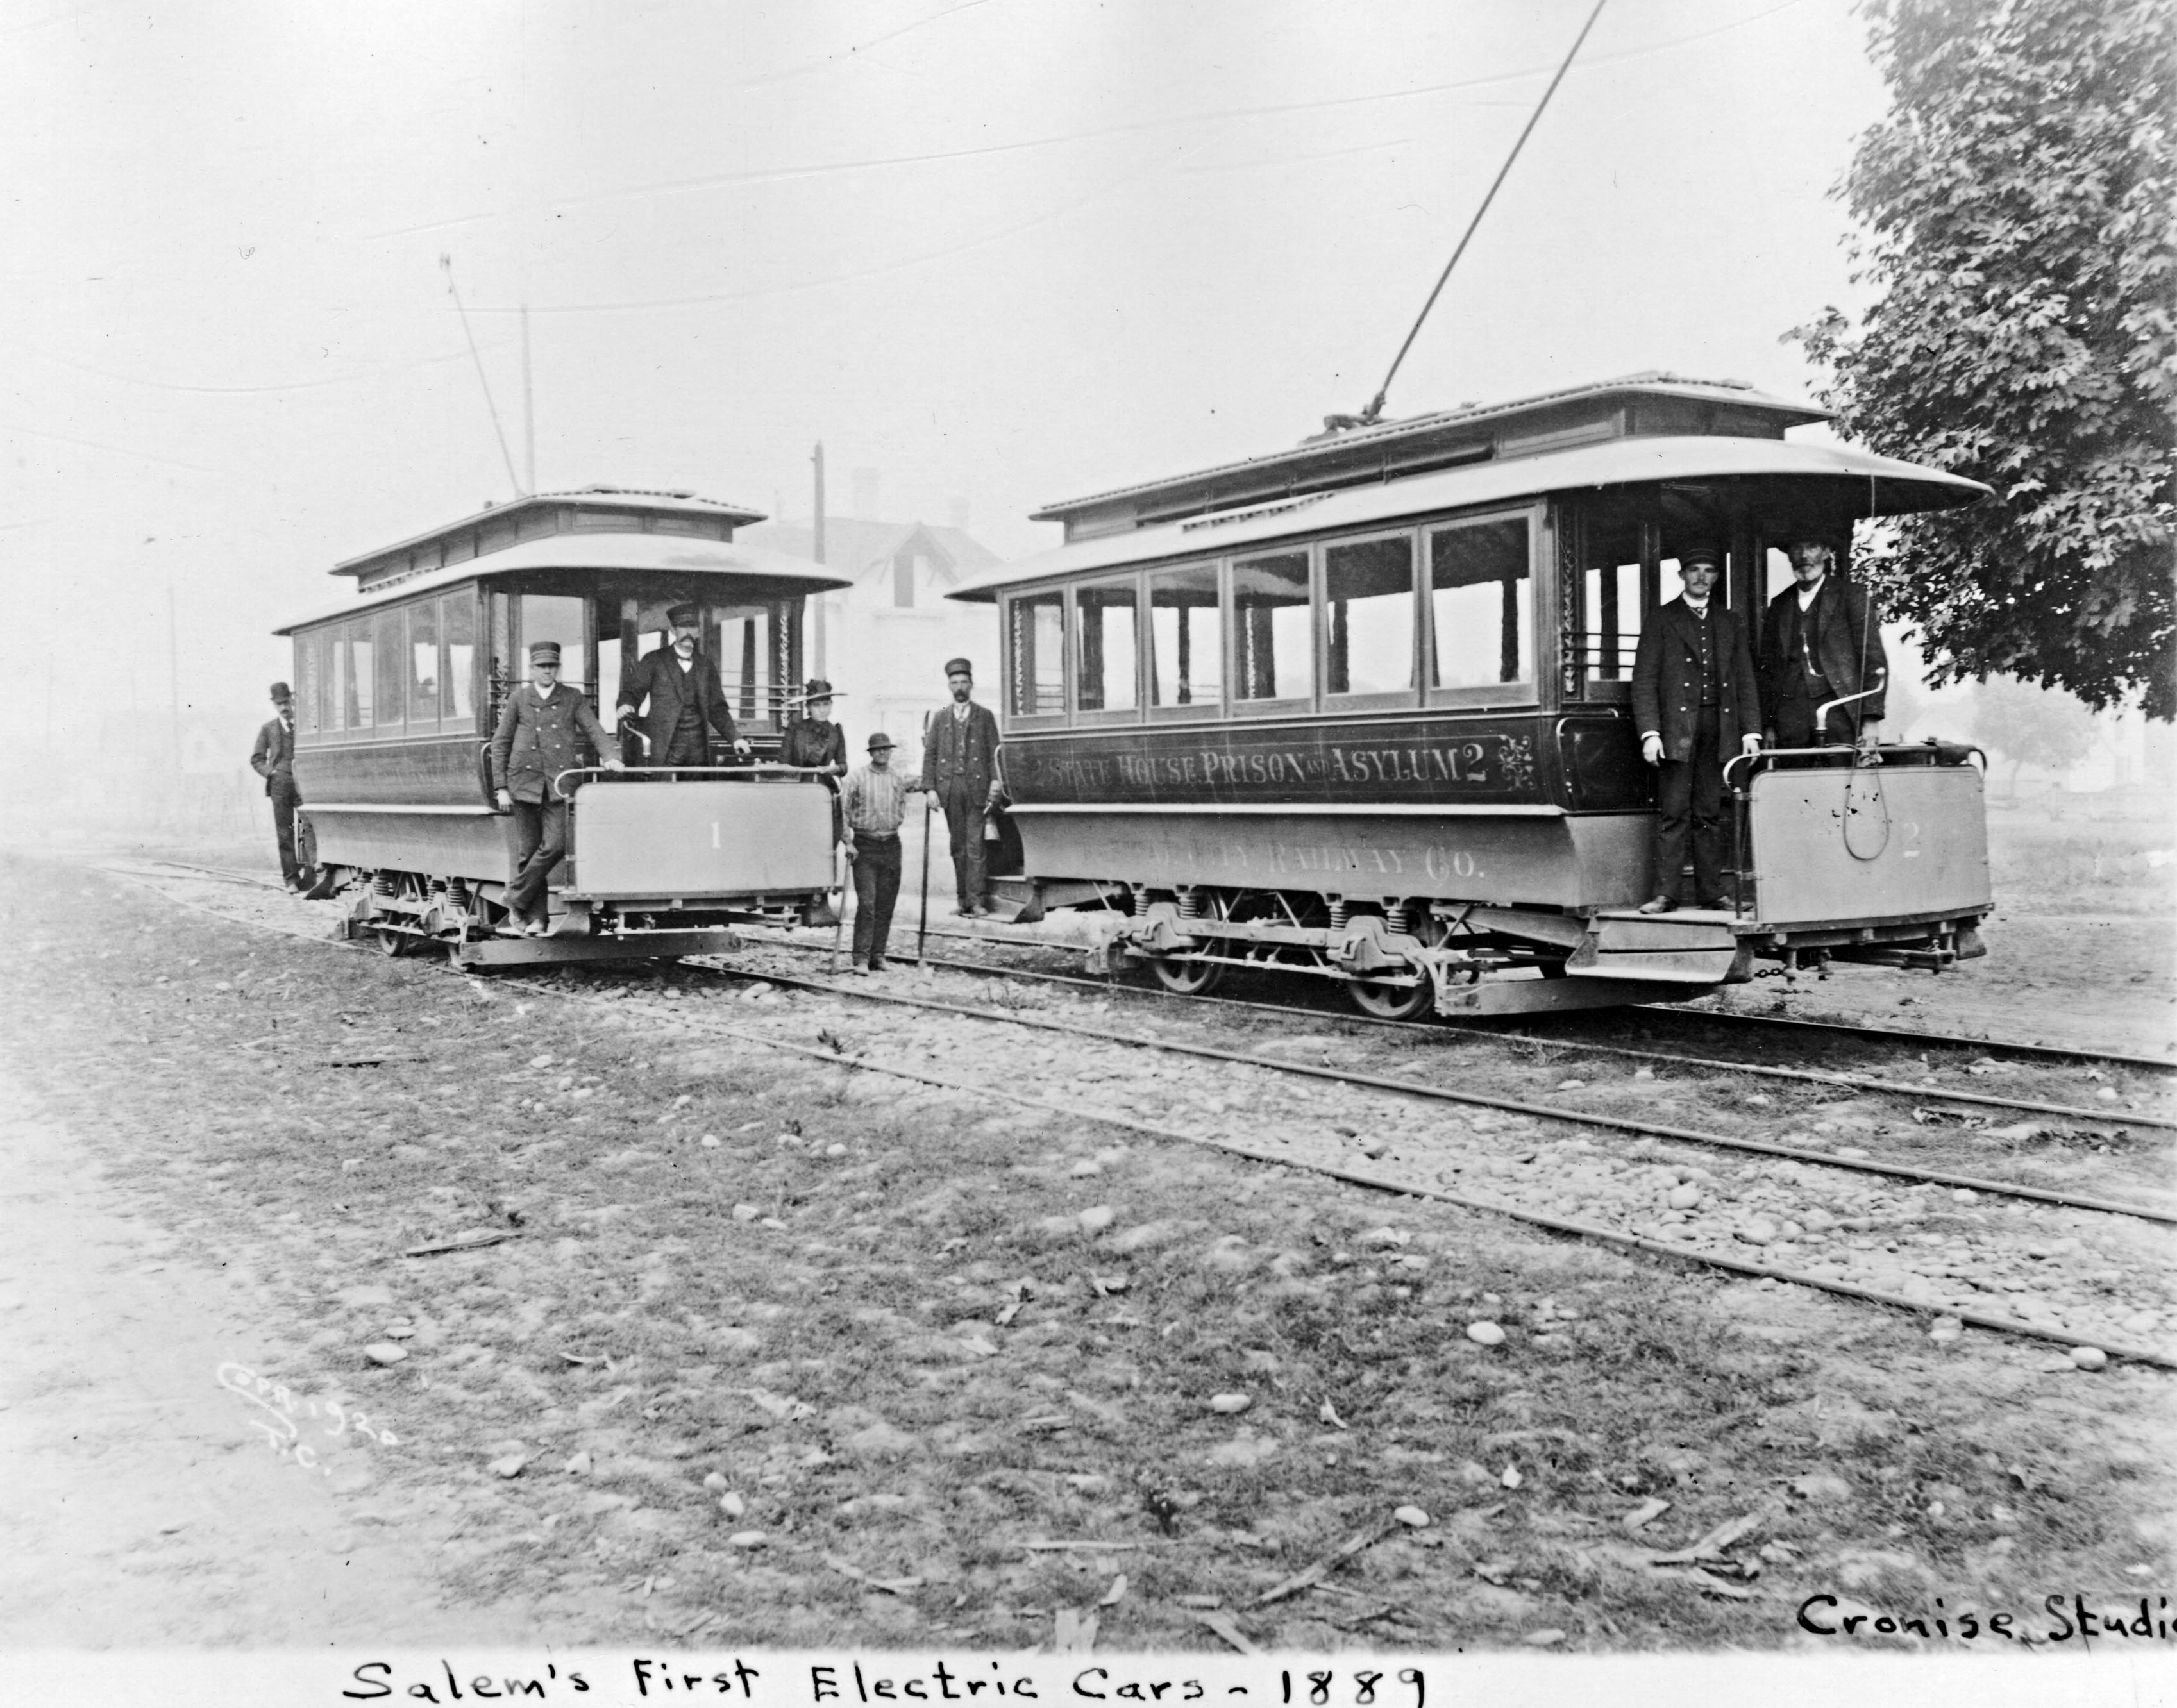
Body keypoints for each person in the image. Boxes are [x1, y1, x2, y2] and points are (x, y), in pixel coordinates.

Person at [1631, 544, 1763, 914]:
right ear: (1682, 576)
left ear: (1716, 578)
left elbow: (1745, 680)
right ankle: (1666, 895)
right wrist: (1650, 732)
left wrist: (1751, 730)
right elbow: (1644, 681)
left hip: (1719, 728)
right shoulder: (1661, 619)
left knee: (1708, 812)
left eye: (1708, 570)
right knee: (1674, 813)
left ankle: (1712, 893)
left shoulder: (1729, 621)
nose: (1701, 577)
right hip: (1675, 729)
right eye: (1694, 570)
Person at [489, 640, 624, 934]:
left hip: (559, 785)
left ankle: (515, 897)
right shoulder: (519, 699)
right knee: (528, 852)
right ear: (532, 669)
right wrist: (500, 786)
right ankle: (538, 919)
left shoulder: (571, 697)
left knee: (556, 846)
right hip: (523, 784)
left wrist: (611, 757)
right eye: (541, 666)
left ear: (557, 669)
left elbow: (594, 730)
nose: (547, 671)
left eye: (551, 666)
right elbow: (500, 744)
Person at [1760, 537, 1888, 751]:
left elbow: (1872, 658)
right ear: (1789, 556)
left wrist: (1870, 720)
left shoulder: (1851, 595)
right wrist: (1768, 724)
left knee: (1839, 777)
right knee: (1792, 779)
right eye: (1797, 548)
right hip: (1789, 717)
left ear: (1827, 552)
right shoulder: (1779, 604)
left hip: (1839, 709)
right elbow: (1767, 672)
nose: (1804, 556)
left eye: (1812, 547)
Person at [615, 603, 752, 775]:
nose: (688, 632)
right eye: (683, 627)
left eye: (693, 627)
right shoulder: (654, 660)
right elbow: (633, 692)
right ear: (673, 631)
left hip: (698, 748)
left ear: (699, 632)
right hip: (665, 745)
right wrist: (625, 704)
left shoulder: (706, 666)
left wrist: (736, 738)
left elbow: (717, 709)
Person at [918, 657, 1002, 917]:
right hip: (950, 788)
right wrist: (930, 789)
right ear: (949, 686)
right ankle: (962, 899)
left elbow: (994, 755)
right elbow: (930, 755)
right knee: (958, 847)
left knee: (975, 845)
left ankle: (976, 901)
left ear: (972, 684)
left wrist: (996, 784)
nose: (960, 687)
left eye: (964, 682)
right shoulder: (941, 717)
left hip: (977, 788)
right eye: (955, 683)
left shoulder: (985, 716)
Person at [840, 732, 912, 973]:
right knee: (868, 903)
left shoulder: (897, 779)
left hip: (891, 845)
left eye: (887, 749)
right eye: (878, 749)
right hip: (865, 846)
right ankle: (861, 958)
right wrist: (848, 842)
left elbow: (902, 804)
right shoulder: (856, 778)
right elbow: (843, 811)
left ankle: (878, 955)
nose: (883, 753)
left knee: (886, 904)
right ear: (870, 752)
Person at [249, 681, 306, 891]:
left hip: (303, 783)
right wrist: (271, 773)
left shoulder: (304, 726)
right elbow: (256, 759)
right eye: (279, 704)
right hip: (279, 785)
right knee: (285, 832)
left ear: (292, 700)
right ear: (274, 704)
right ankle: (291, 879)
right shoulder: (268, 729)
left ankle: (310, 875)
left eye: (286, 702)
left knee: (309, 828)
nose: (284, 707)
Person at [780, 678, 848, 775]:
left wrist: (833, 769)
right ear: (808, 707)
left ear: (831, 705)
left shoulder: (835, 732)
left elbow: (843, 766)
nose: (822, 710)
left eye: (826, 705)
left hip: (823, 785)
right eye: (816, 705)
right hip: (797, 784)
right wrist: (789, 769)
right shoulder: (795, 730)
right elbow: (783, 763)